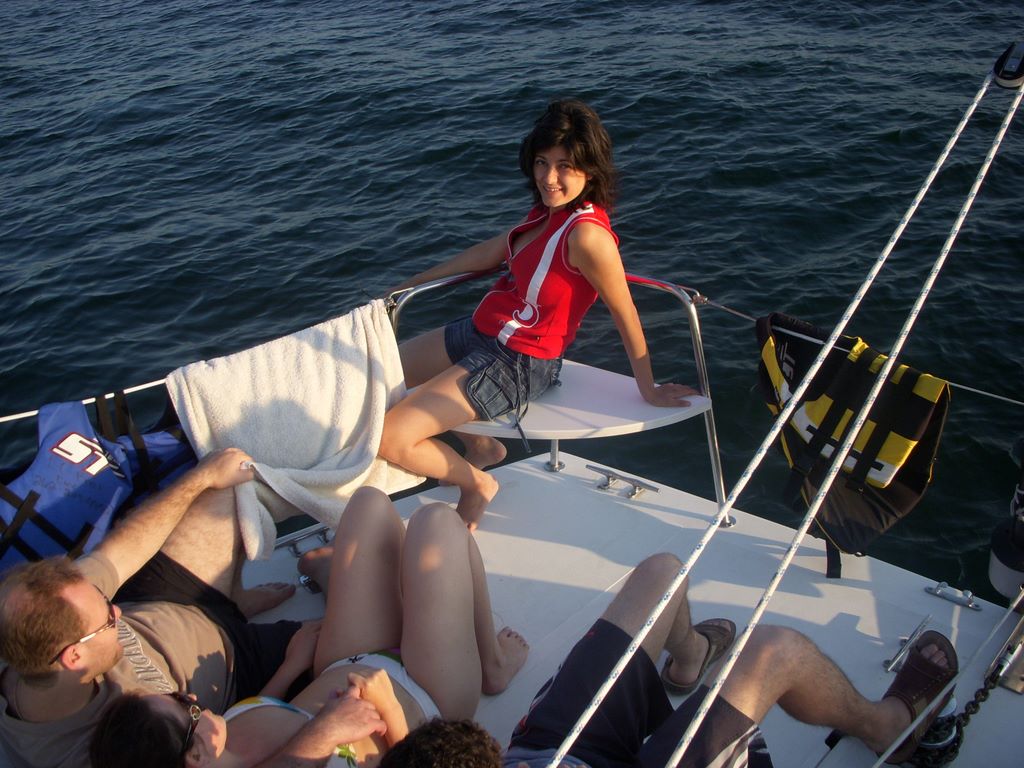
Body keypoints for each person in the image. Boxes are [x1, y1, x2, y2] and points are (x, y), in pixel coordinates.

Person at [378, 99, 698, 529]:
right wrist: (405, 286)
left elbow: (625, 313)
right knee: (378, 375)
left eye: (565, 166)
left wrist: (649, 388)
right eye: (542, 162)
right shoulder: (546, 214)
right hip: (480, 331)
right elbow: (488, 252)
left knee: (390, 437)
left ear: (590, 170)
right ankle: (483, 448)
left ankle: (477, 484)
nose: (549, 178)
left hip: (519, 361)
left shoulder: (587, 237)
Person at [379, 552, 959, 768]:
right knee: (774, 652)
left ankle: (690, 657)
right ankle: (886, 728)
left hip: (555, 752)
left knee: (662, 574)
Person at [89, 486, 530, 767]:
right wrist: (389, 709)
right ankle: (491, 666)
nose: (189, 697)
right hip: (426, 697)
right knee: (438, 523)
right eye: (183, 708)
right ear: (196, 756)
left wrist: (291, 667)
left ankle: (372, 588)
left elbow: (261, 712)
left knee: (369, 505)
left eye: (176, 695)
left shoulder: (219, 740)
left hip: (346, 661)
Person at [0, 448, 302, 768]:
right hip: (235, 663)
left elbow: (115, 556)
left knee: (231, 480)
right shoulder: (99, 754)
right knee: (337, 654)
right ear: (74, 656)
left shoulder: (42, 613)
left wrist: (203, 477)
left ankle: (234, 600)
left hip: (164, 597)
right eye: (107, 618)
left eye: (104, 598)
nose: (117, 612)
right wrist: (287, 673)